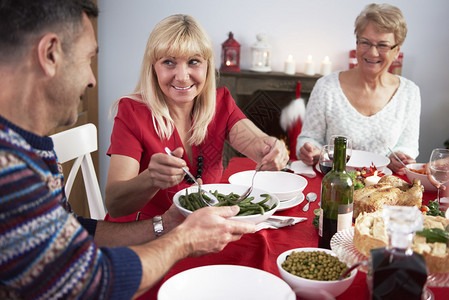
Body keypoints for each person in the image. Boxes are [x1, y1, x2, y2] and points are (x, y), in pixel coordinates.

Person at [0, 1, 255, 299]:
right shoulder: (10, 170)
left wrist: (168, 223)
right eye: (88, 59)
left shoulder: (30, 150)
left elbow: (73, 229)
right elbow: (91, 283)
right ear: (50, 53)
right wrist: (183, 240)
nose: (92, 79)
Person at [104, 14, 289, 221]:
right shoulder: (132, 112)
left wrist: (271, 148)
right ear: (153, 67)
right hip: (146, 234)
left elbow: (257, 143)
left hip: (200, 231)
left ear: (207, 66)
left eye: (194, 62)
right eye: (168, 62)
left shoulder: (221, 103)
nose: (182, 76)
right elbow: (115, 204)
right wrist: (151, 179)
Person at [297, 3, 420, 175]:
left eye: (383, 45)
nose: (372, 53)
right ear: (356, 43)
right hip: (334, 185)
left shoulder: (409, 93)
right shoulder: (327, 86)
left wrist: (401, 157)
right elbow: (310, 138)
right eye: (365, 43)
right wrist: (311, 150)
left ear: (397, 50)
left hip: (382, 189)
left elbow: (408, 145)